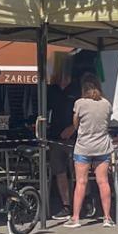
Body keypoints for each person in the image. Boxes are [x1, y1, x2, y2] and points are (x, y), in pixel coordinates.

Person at [64, 74, 116, 229]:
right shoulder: (106, 104)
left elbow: (75, 123)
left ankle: (75, 218)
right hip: (103, 146)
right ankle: (107, 217)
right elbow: (107, 122)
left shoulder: (79, 103)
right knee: (103, 181)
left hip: (84, 147)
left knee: (81, 182)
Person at [45, 72, 74, 216]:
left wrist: (73, 127)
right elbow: (46, 109)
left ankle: (86, 202)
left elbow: (82, 114)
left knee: (78, 172)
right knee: (59, 172)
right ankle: (66, 205)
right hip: (55, 137)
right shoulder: (52, 90)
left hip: (74, 138)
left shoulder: (76, 89)